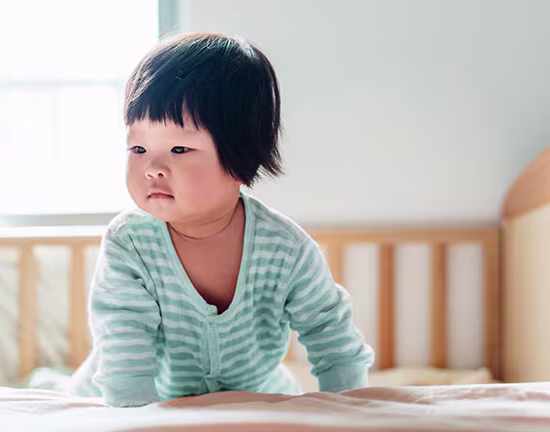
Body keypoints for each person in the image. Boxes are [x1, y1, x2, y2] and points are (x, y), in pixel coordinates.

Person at [66, 33, 374, 407]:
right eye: (138, 148)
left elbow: (335, 342)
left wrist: (352, 412)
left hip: (257, 398)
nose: (153, 168)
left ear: (241, 161)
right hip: (133, 399)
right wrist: (138, 421)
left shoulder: (285, 250)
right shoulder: (130, 243)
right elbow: (124, 356)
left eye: (180, 148)